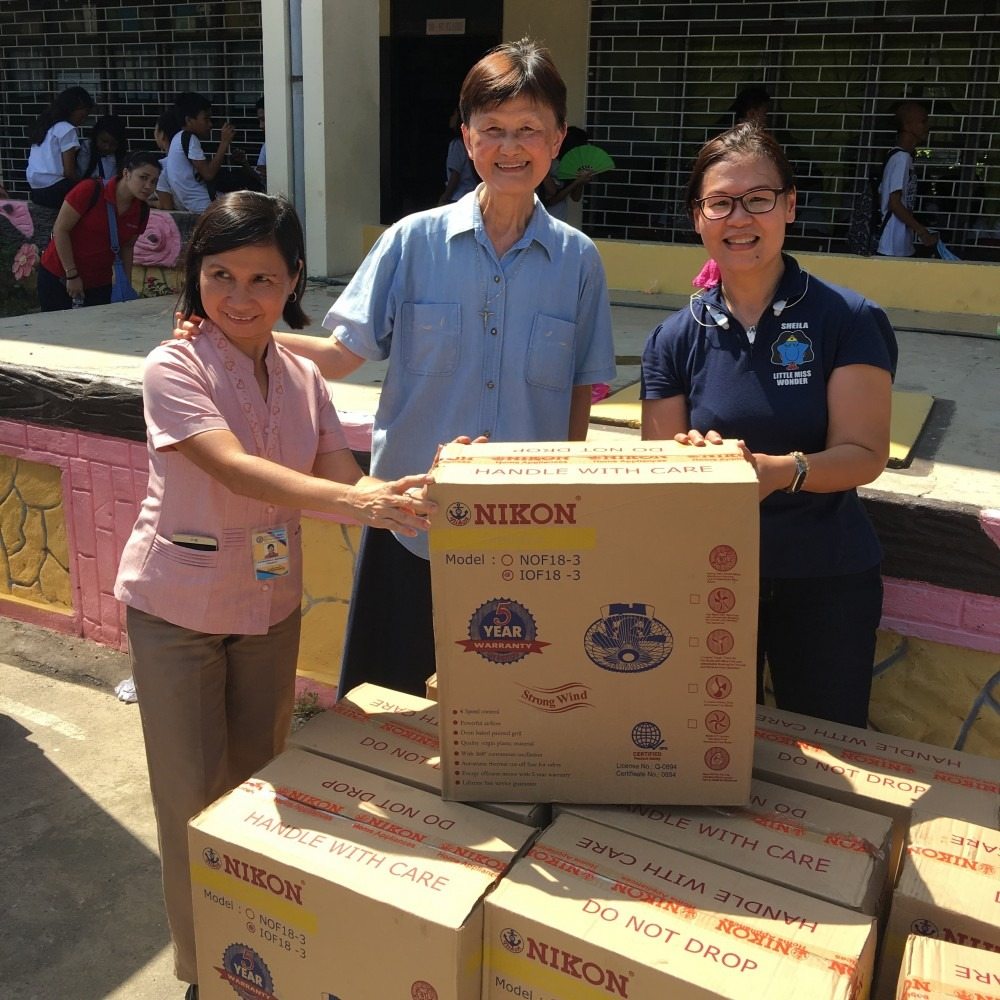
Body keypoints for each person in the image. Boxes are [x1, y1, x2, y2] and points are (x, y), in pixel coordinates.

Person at [176, 39, 616, 698]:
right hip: (413, 517)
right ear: (467, 138)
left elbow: (580, 390)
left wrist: (567, 491)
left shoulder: (579, 262)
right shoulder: (412, 242)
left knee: (517, 705)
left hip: (526, 525)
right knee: (389, 705)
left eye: (529, 129)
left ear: (557, 139)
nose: (510, 147)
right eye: (493, 129)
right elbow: (340, 356)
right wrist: (233, 332)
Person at [115, 191, 435, 1000]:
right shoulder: (173, 367)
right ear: (196, 274)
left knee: (258, 787)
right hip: (178, 614)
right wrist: (360, 502)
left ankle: (254, 952)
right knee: (192, 798)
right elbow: (234, 468)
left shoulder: (299, 375)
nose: (239, 296)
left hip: (267, 607)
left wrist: (400, 492)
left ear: (293, 279)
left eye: (262, 278)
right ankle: (204, 973)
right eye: (220, 274)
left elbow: (340, 472)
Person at [640, 123, 897, 728]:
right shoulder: (673, 338)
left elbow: (865, 453)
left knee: (829, 744)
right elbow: (658, 469)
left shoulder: (849, 319)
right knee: (713, 744)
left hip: (826, 576)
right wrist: (692, 459)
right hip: (710, 577)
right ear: (697, 218)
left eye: (758, 199)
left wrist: (776, 472)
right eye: (720, 203)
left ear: (790, 205)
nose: (739, 218)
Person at [37, 150, 161, 311]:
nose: (148, 186)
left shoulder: (142, 210)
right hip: (60, 275)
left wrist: (125, 285)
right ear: (126, 173)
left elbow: (127, 246)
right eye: (143, 177)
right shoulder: (90, 189)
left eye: (154, 181)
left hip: (100, 283)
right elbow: (60, 229)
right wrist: (72, 274)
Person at [877, 99, 939, 257]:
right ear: (907, 125)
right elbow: (895, 203)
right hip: (892, 244)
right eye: (923, 121)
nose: (927, 126)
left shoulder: (903, 157)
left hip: (899, 243)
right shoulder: (901, 159)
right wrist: (921, 231)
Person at [164, 91, 235, 213]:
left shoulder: (178, 138)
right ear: (189, 120)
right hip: (202, 204)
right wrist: (224, 143)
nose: (210, 124)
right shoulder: (190, 139)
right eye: (206, 119)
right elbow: (208, 174)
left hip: (194, 204)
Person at [25, 86, 94, 208]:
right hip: (56, 186)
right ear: (73, 109)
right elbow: (69, 172)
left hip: (35, 187)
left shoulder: (46, 126)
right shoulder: (67, 129)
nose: (83, 120)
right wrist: (83, 183)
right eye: (83, 115)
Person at [436, 107, 478, 205]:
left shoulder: (456, 144)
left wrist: (445, 197)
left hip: (458, 197)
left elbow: (455, 175)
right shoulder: (468, 144)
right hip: (470, 194)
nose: (451, 118)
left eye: (453, 115)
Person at [77, 114, 128, 184]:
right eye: (104, 141)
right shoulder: (87, 148)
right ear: (96, 136)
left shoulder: (119, 156)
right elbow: (82, 174)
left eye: (113, 144)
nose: (107, 147)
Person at [152, 107, 182, 210]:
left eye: (155, 130)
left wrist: (149, 203)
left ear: (162, 134)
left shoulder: (160, 167)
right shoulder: (196, 161)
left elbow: (166, 205)